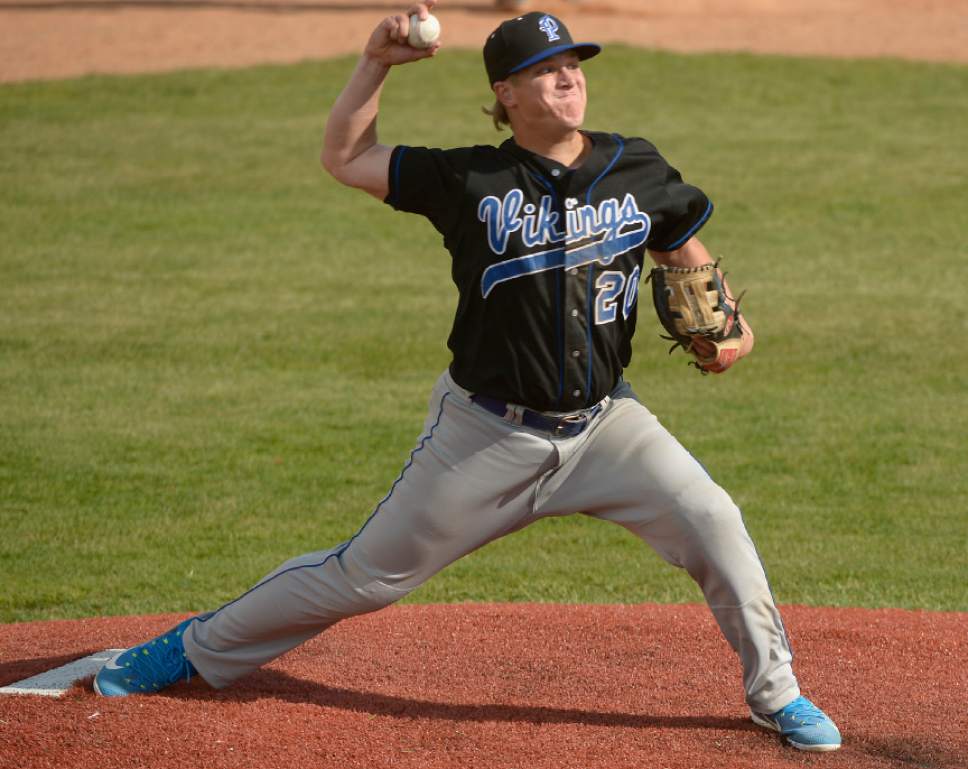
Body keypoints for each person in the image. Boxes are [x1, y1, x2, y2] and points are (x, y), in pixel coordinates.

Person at [94, 2, 841, 753]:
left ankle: (778, 694)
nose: (566, 80)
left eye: (572, 66)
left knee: (715, 519)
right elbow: (347, 157)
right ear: (505, 95)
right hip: (485, 434)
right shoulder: (469, 177)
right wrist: (376, 63)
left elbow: (684, 245)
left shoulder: (634, 165)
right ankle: (192, 647)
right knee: (362, 577)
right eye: (544, 71)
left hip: (608, 427)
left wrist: (728, 327)